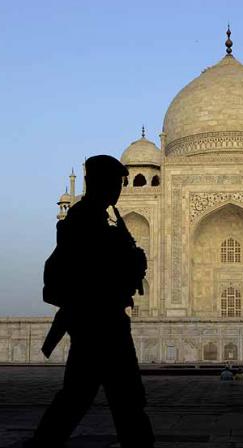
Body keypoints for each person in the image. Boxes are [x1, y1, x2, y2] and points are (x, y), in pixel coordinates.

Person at [29, 155, 154, 447]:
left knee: (83, 396)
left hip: (97, 321)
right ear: (96, 182)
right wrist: (131, 258)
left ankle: (43, 443)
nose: (119, 189)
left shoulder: (97, 218)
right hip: (100, 321)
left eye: (121, 183)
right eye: (116, 182)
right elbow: (97, 268)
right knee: (121, 398)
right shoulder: (85, 219)